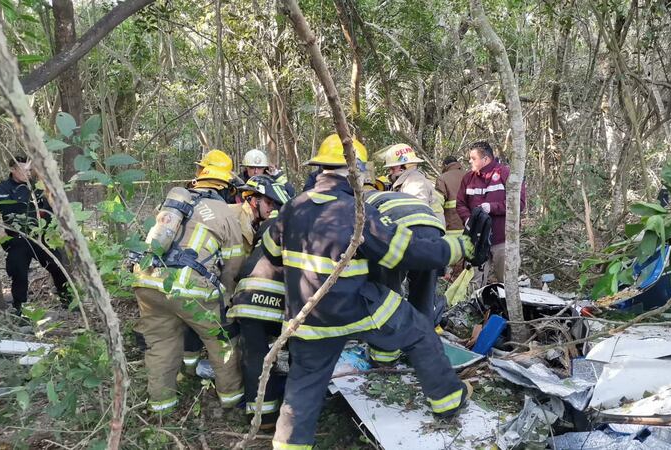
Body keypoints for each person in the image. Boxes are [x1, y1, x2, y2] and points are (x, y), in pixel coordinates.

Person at [263, 134, 475, 449]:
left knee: (303, 385)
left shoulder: (294, 206)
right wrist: (456, 247)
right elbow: (399, 252)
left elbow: (270, 248)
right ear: (356, 170)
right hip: (355, 306)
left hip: (307, 317)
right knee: (418, 330)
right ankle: (448, 401)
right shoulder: (355, 210)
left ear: (320, 169)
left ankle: (288, 445)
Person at [131, 149, 246, 413]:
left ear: (199, 175)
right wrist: (228, 293)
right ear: (226, 184)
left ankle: (162, 407)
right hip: (190, 289)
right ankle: (230, 401)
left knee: (160, 344)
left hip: (148, 282)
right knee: (221, 341)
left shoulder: (174, 204)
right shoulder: (225, 212)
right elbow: (234, 262)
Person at [227, 175, 291, 426]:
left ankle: (260, 416)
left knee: (254, 356)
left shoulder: (264, 227)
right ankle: (290, 412)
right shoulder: (296, 225)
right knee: (296, 350)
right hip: (274, 303)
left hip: (244, 299)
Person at [363, 185, 448, 364]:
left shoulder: (359, 205)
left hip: (399, 230)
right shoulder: (393, 196)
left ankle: (384, 357)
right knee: (423, 296)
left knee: (386, 296)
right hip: (433, 229)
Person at [0, 156, 70, 315]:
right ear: (12, 169)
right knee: (19, 272)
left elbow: (51, 209)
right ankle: (19, 308)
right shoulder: (1, 190)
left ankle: (68, 300)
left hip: (40, 236)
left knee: (57, 266)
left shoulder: (37, 187)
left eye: (29, 170)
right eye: (23, 170)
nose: (27, 173)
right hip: (16, 239)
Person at [456, 141, 525, 284]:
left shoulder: (505, 173)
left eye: (473, 158)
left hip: (503, 240)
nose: (470, 161)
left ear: (486, 159)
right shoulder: (468, 178)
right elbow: (460, 203)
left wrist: (492, 207)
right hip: (477, 240)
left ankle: (507, 306)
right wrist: (469, 219)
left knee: (507, 283)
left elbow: (520, 204)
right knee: (474, 282)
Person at [380, 143, 445, 225]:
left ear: (404, 166)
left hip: (427, 231)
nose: (390, 172)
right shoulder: (409, 180)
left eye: (392, 168)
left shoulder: (414, 182)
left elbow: (417, 213)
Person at [436, 156, 466, 236]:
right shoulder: (469, 175)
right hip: (469, 225)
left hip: (452, 227)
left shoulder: (442, 178)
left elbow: (437, 204)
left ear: (445, 165)